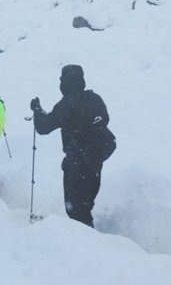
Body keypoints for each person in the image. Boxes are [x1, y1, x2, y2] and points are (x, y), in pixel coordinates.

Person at [30, 65, 116, 228]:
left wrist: (37, 110)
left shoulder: (66, 104)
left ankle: (86, 246)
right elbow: (104, 120)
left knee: (76, 210)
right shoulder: (95, 99)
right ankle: (90, 242)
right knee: (85, 206)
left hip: (76, 164)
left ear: (64, 83)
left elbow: (44, 127)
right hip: (95, 161)